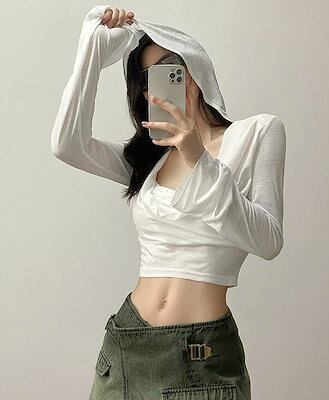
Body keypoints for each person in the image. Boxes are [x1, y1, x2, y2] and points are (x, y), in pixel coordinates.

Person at [51, 5, 286, 400]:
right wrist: (91, 49)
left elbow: (268, 241)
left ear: (195, 65)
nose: (160, 83)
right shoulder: (150, 159)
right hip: (125, 347)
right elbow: (67, 145)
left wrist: (198, 159)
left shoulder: (257, 133)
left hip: (200, 360)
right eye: (147, 78)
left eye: (169, 67)